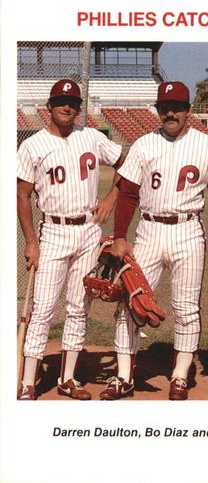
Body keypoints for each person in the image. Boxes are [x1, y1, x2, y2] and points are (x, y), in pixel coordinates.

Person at [99, 81, 208, 401]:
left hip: (188, 230)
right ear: (157, 111)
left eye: (177, 107)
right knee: (131, 303)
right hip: (149, 230)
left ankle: (180, 375)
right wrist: (119, 238)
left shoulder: (207, 145)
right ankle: (124, 377)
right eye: (164, 107)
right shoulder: (144, 144)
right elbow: (128, 194)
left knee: (186, 308)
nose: (170, 112)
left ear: (188, 110)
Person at [17, 79, 125, 400]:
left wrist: (110, 199)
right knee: (43, 308)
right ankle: (27, 381)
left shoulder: (91, 137)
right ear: (49, 107)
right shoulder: (32, 146)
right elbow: (22, 196)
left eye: (74, 102)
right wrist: (30, 241)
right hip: (52, 230)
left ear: (79, 108)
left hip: (89, 230)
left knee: (79, 306)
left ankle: (67, 378)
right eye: (61, 101)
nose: (68, 106)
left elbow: (127, 165)